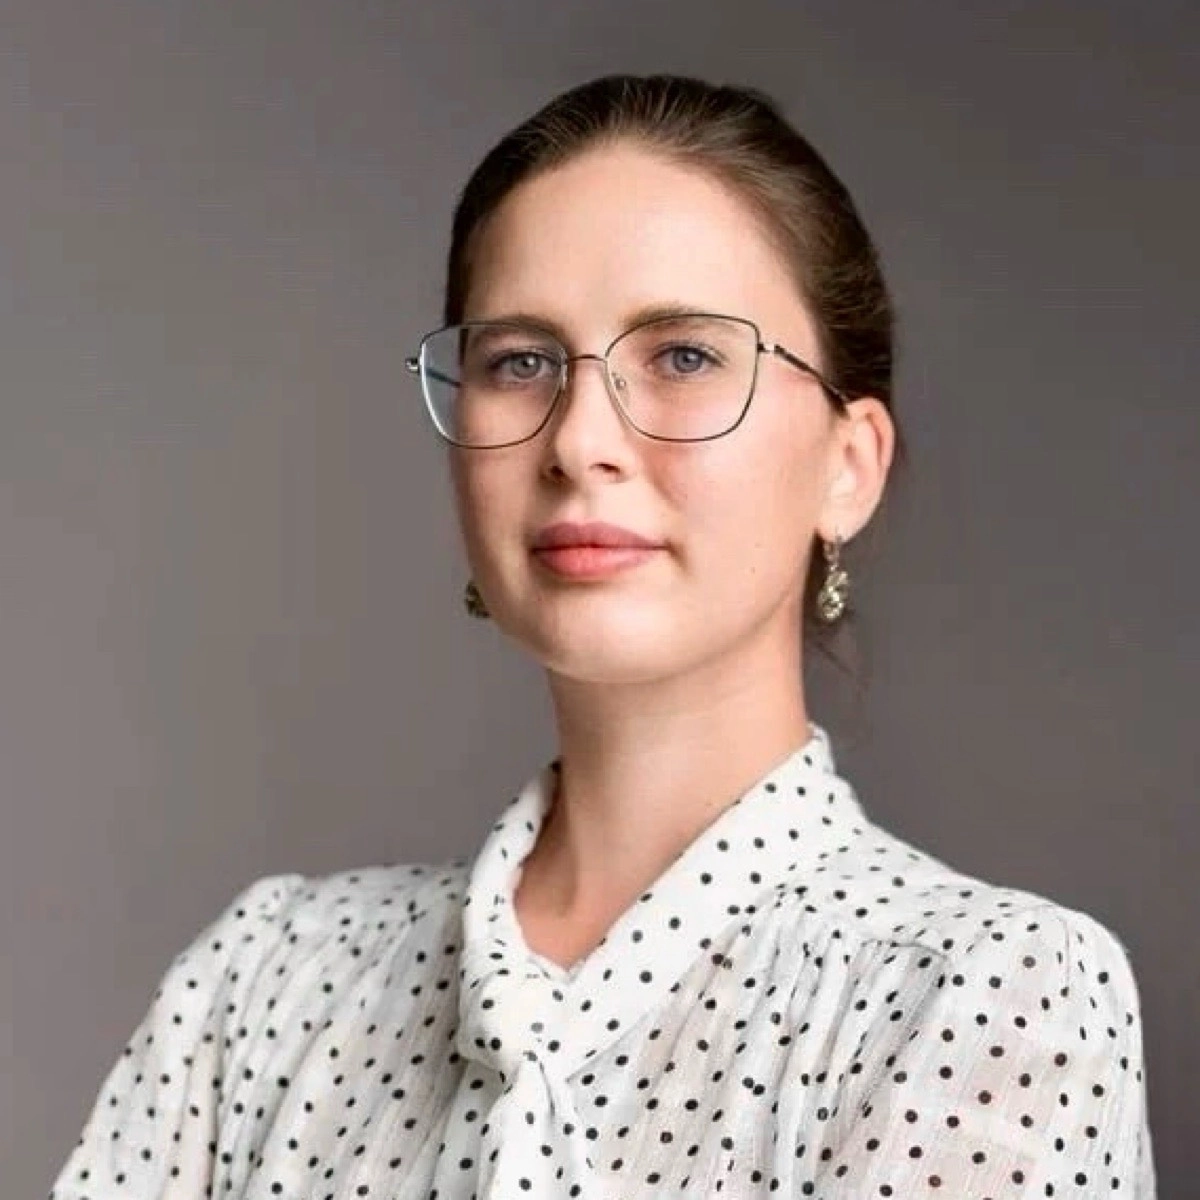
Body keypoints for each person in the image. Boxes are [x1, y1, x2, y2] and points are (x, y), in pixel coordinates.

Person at [50, 73, 1155, 1200]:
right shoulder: (266, 984)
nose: (580, 441)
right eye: (520, 362)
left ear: (848, 463)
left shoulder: (976, 992)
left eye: (684, 356)